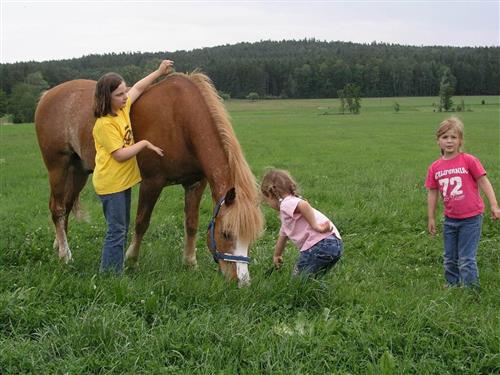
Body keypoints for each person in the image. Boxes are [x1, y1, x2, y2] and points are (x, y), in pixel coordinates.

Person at [92, 59, 173, 273]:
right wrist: (144, 143)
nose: (125, 97)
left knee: (121, 228)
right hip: (111, 184)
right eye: (119, 94)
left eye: (124, 92)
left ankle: (113, 269)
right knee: (116, 231)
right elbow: (119, 155)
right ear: (105, 98)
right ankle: (109, 275)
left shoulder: (122, 109)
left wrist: (158, 72)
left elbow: (138, 87)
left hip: (121, 182)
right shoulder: (105, 124)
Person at [425, 117, 500, 287]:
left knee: (466, 258)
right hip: (450, 219)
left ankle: (471, 291)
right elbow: (432, 192)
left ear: (460, 140)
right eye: (445, 137)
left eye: (453, 137)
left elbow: (483, 182)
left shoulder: (469, 161)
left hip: (471, 218)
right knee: (450, 257)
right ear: (438, 141)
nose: (449, 141)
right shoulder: (435, 168)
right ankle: (452, 284)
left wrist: (494, 205)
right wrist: (431, 217)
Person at [261, 168, 343, 277]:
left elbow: (303, 204)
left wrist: (316, 226)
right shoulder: (287, 214)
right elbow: (283, 236)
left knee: (298, 280)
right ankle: (313, 292)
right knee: (312, 279)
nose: (268, 204)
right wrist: (277, 255)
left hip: (318, 245)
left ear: (271, 194)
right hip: (334, 245)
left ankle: (301, 293)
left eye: (267, 201)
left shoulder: (286, 203)